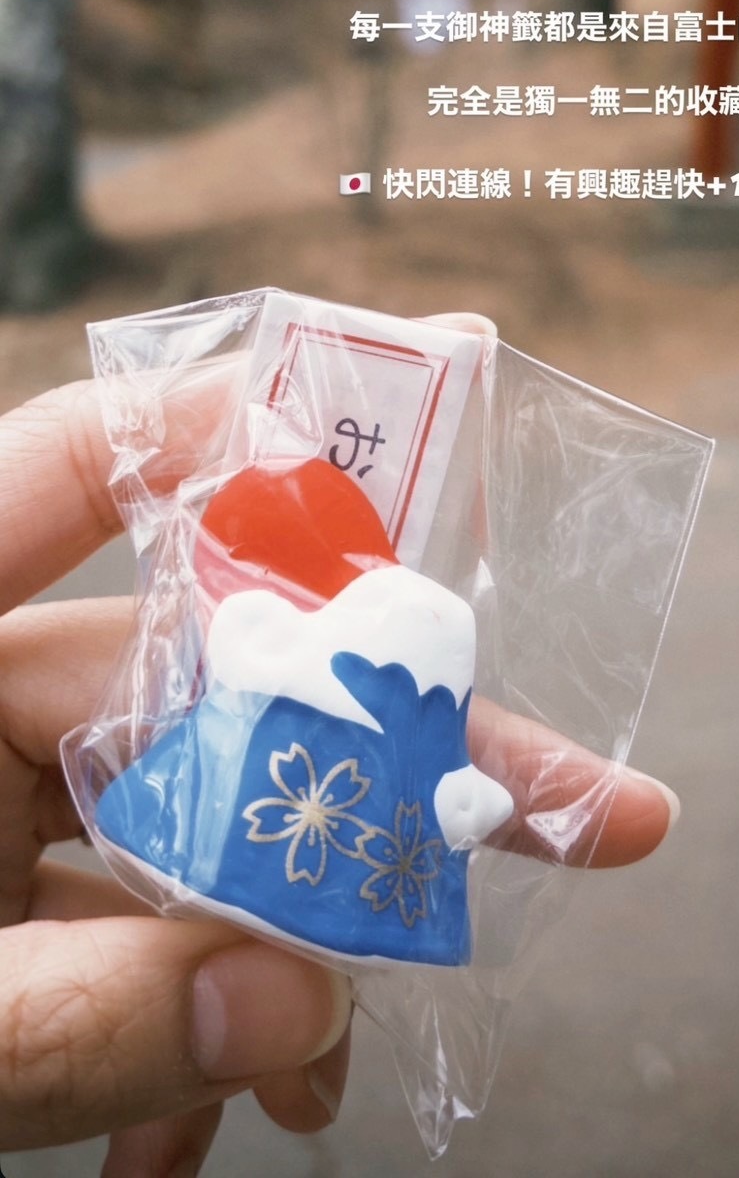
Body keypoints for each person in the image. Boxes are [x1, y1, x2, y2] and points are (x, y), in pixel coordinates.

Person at [0, 339, 680, 1177]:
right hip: (259, 825)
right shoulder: (307, 654)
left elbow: (442, 780)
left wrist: (464, 800)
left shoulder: (358, 653)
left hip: (327, 850)